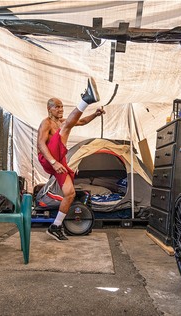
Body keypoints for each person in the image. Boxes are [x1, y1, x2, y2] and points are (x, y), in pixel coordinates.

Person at [37, 78, 103, 241]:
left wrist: (95, 115)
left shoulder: (62, 122)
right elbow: (40, 144)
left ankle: (55, 226)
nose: (60, 109)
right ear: (49, 109)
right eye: (57, 106)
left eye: (61, 106)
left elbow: (80, 121)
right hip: (48, 158)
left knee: (70, 193)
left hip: (60, 158)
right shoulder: (46, 123)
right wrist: (53, 161)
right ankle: (86, 99)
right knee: (65, 128)